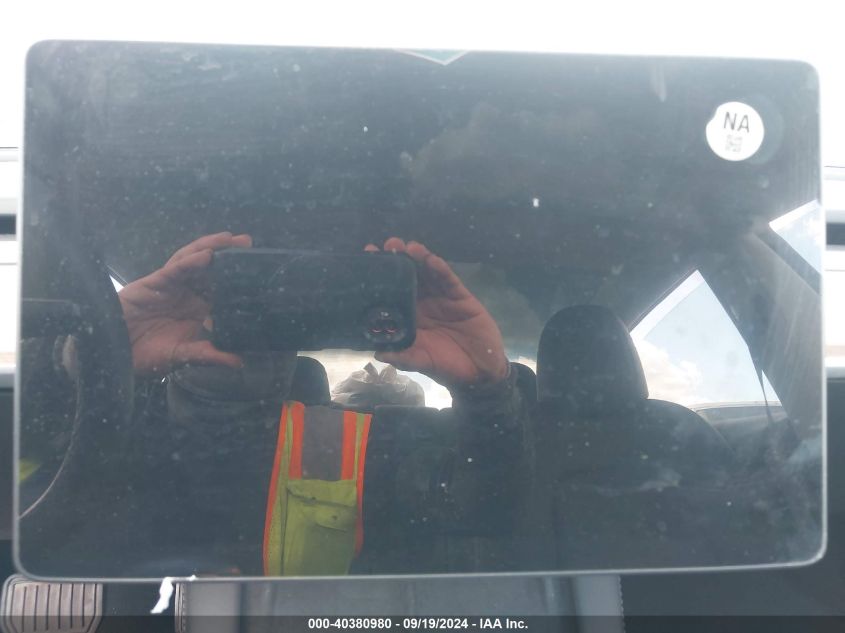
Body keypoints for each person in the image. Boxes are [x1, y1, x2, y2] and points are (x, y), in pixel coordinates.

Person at [111, 232, 526, 576]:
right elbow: (73, 506)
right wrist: (105, 354)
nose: (264, 313)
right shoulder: (120, 433)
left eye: (286, 298)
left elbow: (483, 512)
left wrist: (487, 396)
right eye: (241, 291)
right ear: (185, 305)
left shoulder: (377, 443)